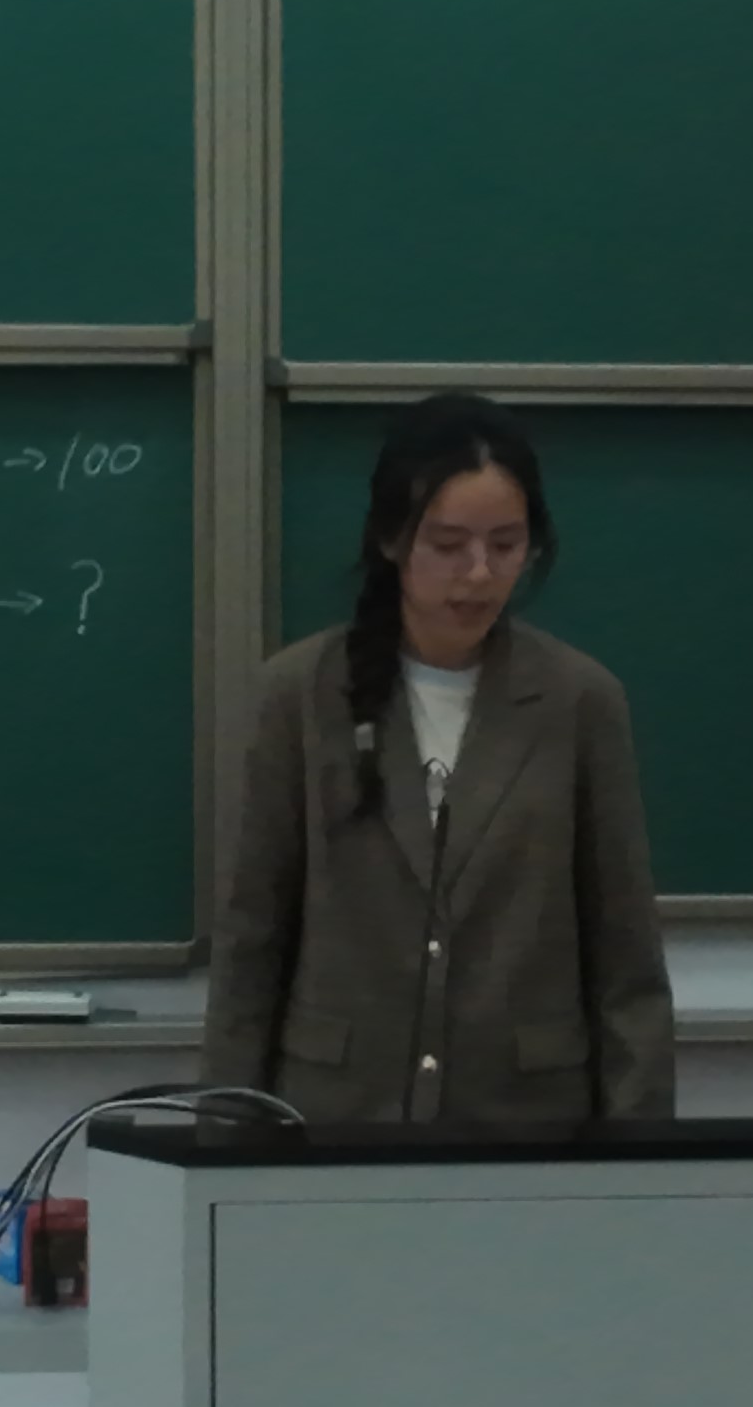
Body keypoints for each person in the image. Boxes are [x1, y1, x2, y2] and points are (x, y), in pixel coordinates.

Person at [203, 393, 675, 1124]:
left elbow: (626, 962)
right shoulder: (298, 696)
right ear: (392, 538)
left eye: (506, 545)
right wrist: (224, 1142)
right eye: (449, 545)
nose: (479, 574)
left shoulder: (581, 702)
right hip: (332, 1119)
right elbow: (251, 945)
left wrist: (639, 1159)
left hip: (527, 1122)